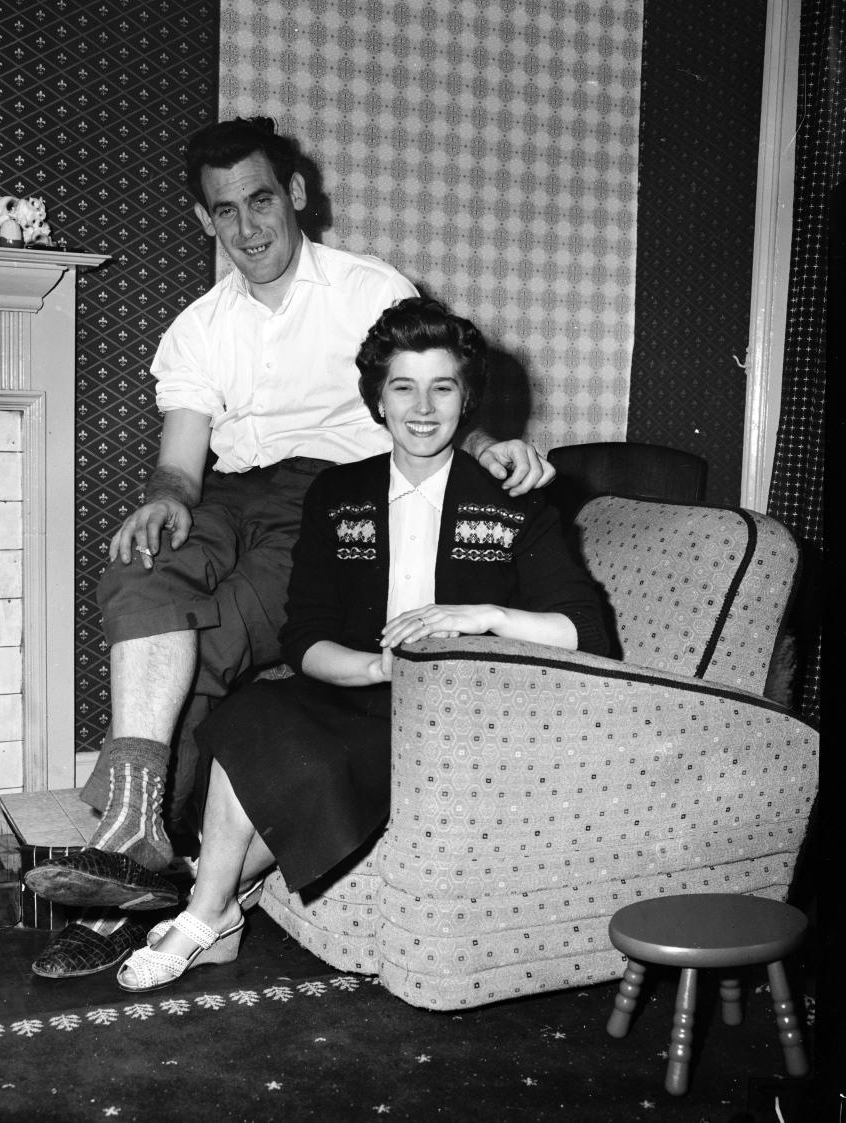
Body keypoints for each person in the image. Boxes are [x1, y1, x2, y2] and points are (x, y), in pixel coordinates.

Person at [25, 118, 555, 978]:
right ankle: (135, 834)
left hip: (329, 495)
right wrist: (163, 502)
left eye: (261, 200)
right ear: (205, 221)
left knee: (209, 642)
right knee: (139, 567)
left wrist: (484, 446)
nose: (248, 227)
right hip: (228, 493)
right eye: (225, 211)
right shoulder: (199, 327)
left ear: (296, 195)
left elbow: (426, 377)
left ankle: (136, 862)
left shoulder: (365, 287)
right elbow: (181, 464)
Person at [112, 295, 609, 992]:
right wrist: (376, 667)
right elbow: (304, 634)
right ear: (377, 399)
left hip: (457, 710)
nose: (423, 407)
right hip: (360, 684)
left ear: (467, 400)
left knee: (301, 756)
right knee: (249, 716)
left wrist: (482, 614)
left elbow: (589, 632)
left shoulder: (512, 497)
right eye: (403, 386)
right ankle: (215, 913)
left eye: (443, 386)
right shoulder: (336, 493)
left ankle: (202, 914)